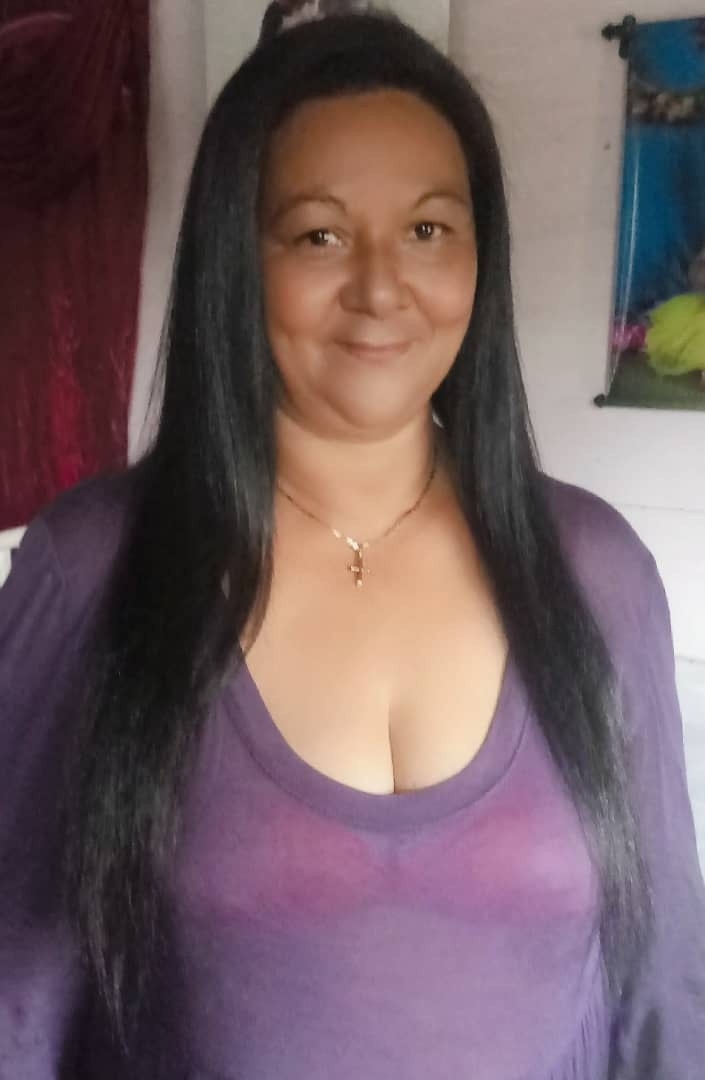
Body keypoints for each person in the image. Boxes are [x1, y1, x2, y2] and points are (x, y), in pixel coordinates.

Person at [1, 3, 704, 1077]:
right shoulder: (93, 569)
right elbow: (16, 990)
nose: (381, 287)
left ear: (479, 256)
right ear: (237, 259)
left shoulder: (595, 573)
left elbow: (664, 986)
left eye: (428, 230)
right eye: (319, 235)